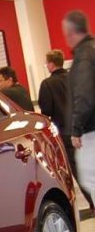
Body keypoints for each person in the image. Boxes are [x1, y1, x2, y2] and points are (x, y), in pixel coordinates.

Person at [38, 48, 95, 212]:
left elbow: (46, 109)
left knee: (78, 169)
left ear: (50, 64)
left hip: (66, 133)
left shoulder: (48, 84)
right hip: (86, 128)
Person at [64, 10, 95, 232]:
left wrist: (76, 128)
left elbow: (83, 96)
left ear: (70, 32)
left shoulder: (84, 57)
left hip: (90, 132)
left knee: (90, 180)